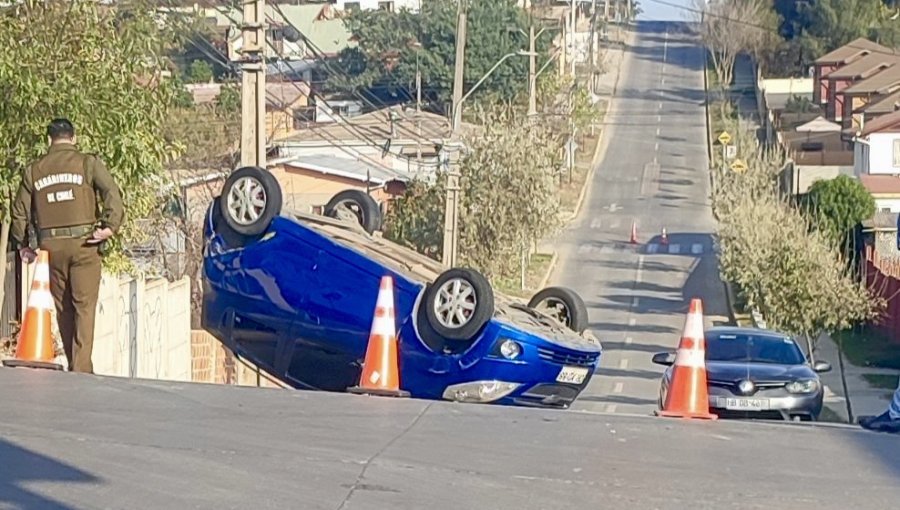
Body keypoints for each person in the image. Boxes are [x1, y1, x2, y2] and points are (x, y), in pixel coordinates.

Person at [10, 118, 125, 374]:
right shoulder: (87, 163)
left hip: (51, 247)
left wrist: (22, 245)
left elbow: (19, 211)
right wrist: (109, 226)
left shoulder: (34, 170)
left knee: (63, 307)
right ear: (73, 138)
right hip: (85, 244)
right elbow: (111, 193)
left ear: (49, 140)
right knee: (84, 307)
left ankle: (77, 365)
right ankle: (81, 368)